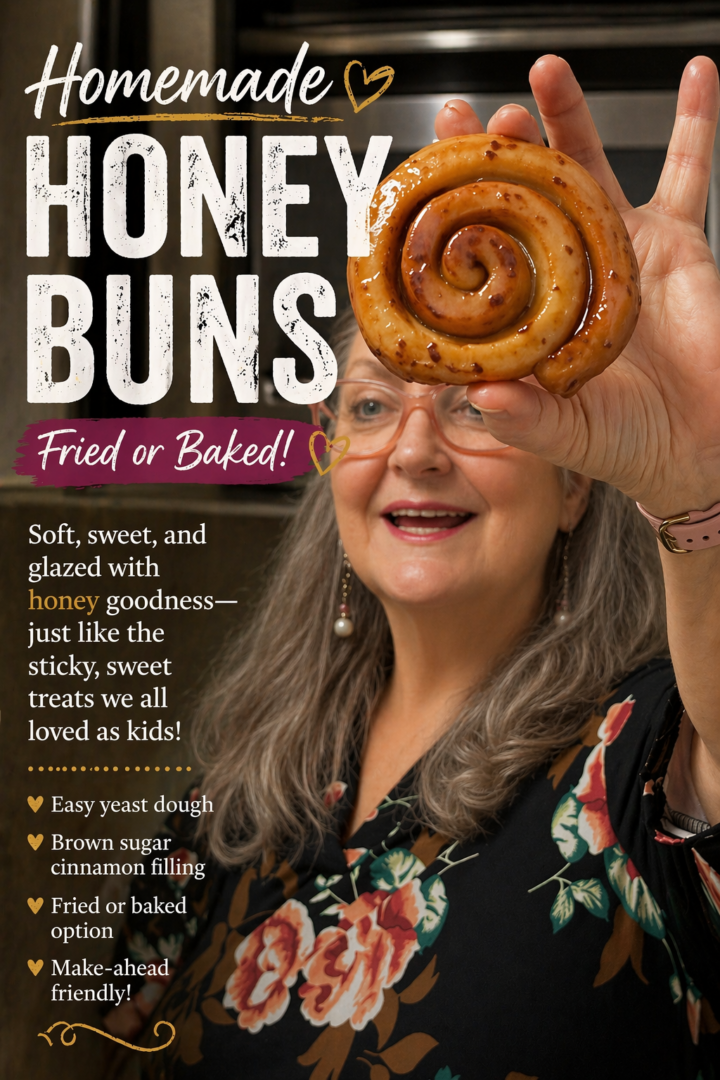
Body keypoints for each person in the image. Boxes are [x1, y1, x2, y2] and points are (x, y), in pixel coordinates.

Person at [105, 56, 720, 1078]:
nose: (416, 449)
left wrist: (701, 482)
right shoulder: (237, 798)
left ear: (574, 485)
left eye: (476, 405)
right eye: (372, 404)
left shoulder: (651, 759)